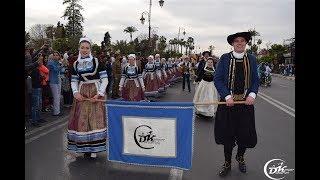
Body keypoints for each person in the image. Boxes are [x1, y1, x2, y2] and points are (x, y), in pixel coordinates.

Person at [213, 31, 259, 177]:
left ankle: (240, 157)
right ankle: (227, 162)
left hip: (245, 103)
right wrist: (227, 96)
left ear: (246, 43)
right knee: (228, 135)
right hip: (228, 104)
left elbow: (255, 80)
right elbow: (218, 78)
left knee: (244, 134)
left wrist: (252, 94)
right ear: (232, 44)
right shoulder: (225, 58)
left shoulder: (251, 58)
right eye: (237, 41)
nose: (239, 43)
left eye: (242, 41)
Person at [67, 37, 109, 158]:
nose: (84, 50)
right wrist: (75, 92)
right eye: (82, 48)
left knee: (95, 119)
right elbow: (74, 81)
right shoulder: (75, 64)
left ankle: (94, 148)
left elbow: (105, 79)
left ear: (90, 49)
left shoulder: (97, 62)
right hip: (82, 93)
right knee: (82, 119)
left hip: (95, 91)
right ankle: (85, 147)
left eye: (87, 48)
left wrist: (100, 93)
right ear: (79, 48)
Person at [47, 51, 63, 116]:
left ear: (59, 56)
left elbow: (61, 71)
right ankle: (56, 112)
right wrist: (62, 66)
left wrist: (62, 66)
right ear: (53, 56)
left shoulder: (58, 62)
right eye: (55, 55)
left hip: (58, 80)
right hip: (53, 81)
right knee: (56, 97)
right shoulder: (50, 62)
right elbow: (56, 69)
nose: (56, 56)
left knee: (58, 96)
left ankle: (58, 111)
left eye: (57, 55)